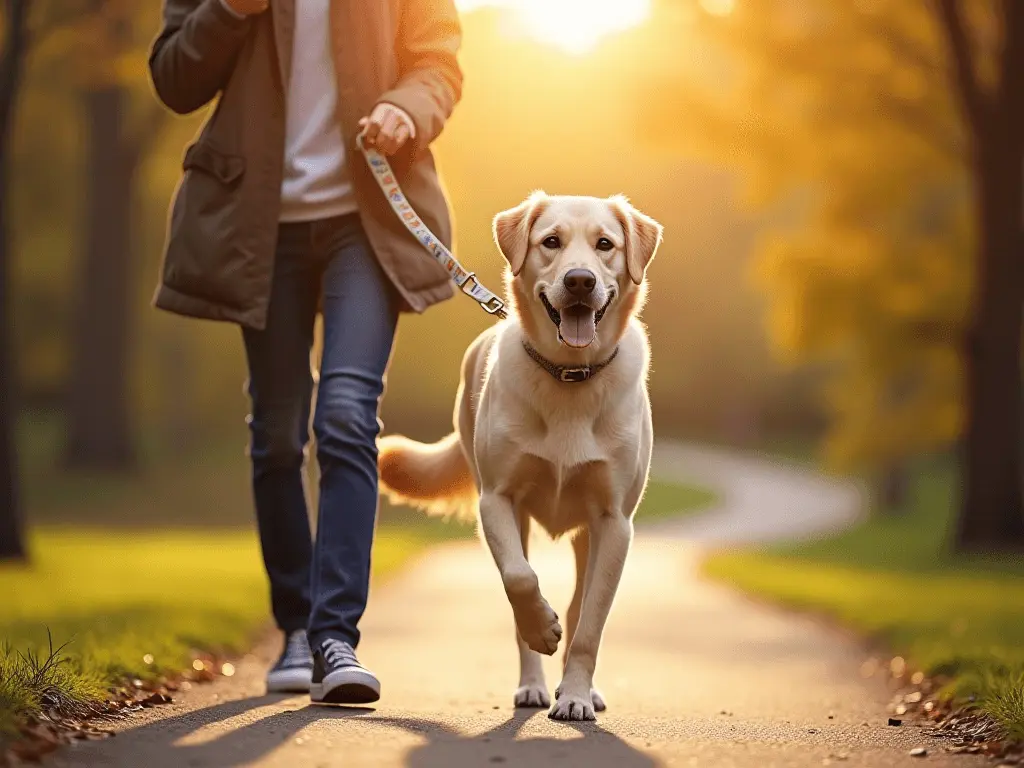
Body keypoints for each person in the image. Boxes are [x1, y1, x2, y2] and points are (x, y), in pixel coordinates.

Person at [148, 0, 462, 704]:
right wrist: (229, 10)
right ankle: (295, 625)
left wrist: (407, 109)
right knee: (278, 434)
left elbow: (437, 59)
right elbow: (173, 78)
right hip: (259, 225)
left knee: (348, 413)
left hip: (368, 216)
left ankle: (335, 639)